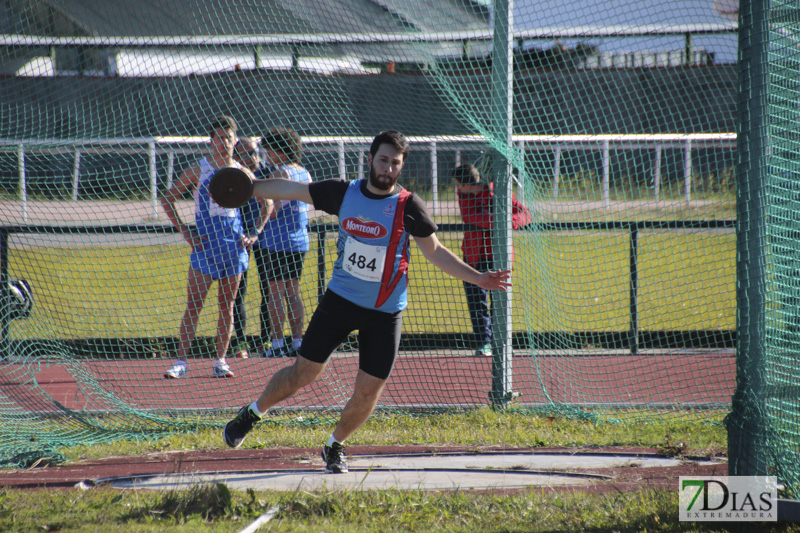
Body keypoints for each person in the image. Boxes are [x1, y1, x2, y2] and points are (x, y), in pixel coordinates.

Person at [222, 131, 512, 474]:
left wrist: (478, 278)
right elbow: (289, 189)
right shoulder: (343, 193)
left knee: (368, 391)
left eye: (395, 163)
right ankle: (253, 412)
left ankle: (335, 445)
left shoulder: (408, 206)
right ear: (371, 159)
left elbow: (435, 252)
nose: (388, 168)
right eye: (383, 160)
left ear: (400, 167)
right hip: (340, 301)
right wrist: (248, 187)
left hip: (386, 312)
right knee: (304, 372)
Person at [160, 114, 256, 379]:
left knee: (227, 305)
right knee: (194, 305)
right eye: (219, 137)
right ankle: (180, 362)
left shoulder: (241, 171)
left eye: (228, 137)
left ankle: (221, 361)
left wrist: (253, 233)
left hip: (233, 249)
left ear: (235, 140)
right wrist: (185, 232)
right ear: (211, 140)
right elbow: (168, 198)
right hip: (204, 248)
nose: (224, 142)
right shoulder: (199, 168)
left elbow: (267, 203)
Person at [451, 163, 531, 357]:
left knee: (500, 301)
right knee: (477, 302)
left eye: (458, 184)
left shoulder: (499, 192)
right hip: (473, 256)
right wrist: (501, 220)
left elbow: (525, 214)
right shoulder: (464, 195)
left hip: (500, 257)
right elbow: (471, 217)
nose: (457, 188)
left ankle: (500, 343)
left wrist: (511, 222)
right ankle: (484, 342)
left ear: (467, 183)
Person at [256, 127, 312, 358]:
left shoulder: (280, 173)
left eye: (269, 150)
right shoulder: (305, 172)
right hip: (299, 240)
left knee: (276, 292)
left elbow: (274, 208)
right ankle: (297, 342)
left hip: (277, 241)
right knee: (292, 291)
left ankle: (278, 343)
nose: (267, 155)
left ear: (279, 150)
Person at [231, 137, 273, 359]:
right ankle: (240, 343)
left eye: (255, 152)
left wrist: (257, 230)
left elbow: (272, 205)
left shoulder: (269, 174)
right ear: (236, 157)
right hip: (240, 240)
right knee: (238, 291)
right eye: (246, 153)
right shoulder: (232, 174)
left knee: (268, 288)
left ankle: (265, 340)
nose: (252, 157)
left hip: (267, 239)